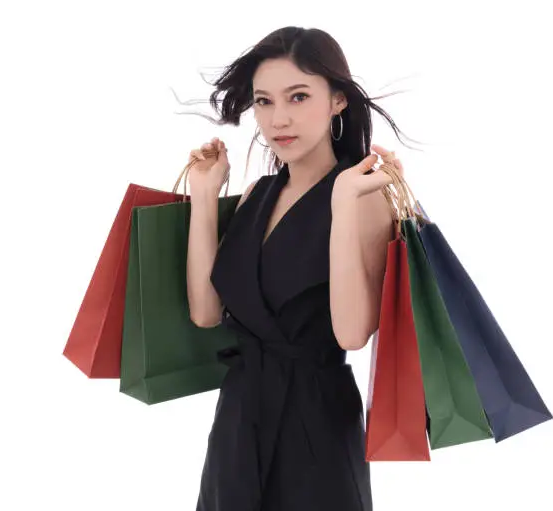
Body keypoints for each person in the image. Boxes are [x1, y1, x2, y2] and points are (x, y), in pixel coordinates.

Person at [184, 26, 416, 511]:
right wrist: (206, 197)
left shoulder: (363, 197)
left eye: (298, 96)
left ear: (337, 101)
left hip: (316, 430)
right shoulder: (258, 195)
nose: (278, 118)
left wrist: (344, 202)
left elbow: (352, 334)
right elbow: (207, 314)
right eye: (264, 102)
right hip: (237, 421)